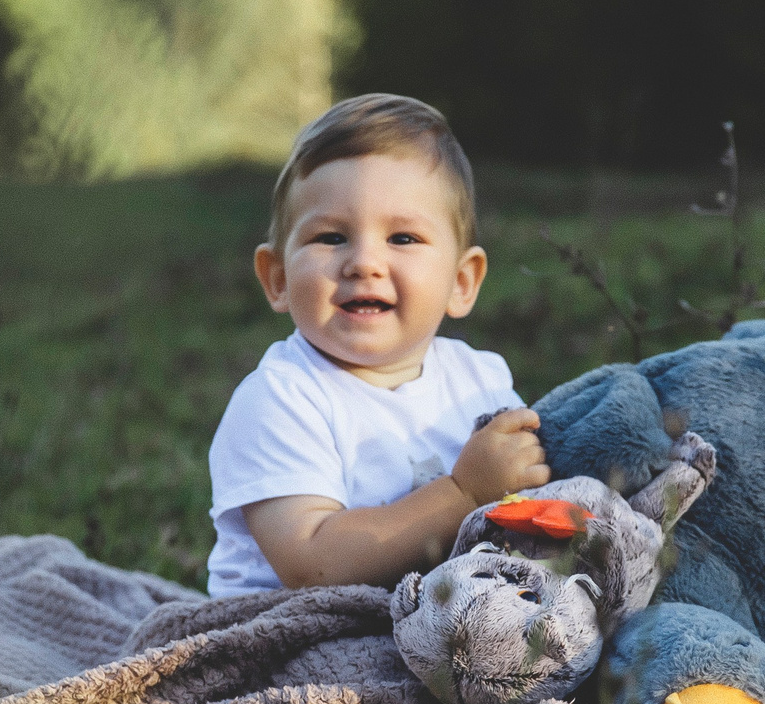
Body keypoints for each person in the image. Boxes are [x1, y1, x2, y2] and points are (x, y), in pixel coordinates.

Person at [206, 95, 549, 595]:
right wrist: (463, 493)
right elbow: (310, 566)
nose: (364, 262)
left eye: (403, 238)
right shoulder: (279, 399)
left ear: (462, 281)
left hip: (436, 615)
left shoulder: (480, 380)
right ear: (277, 278)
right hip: (295, 629)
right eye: (330, 237)